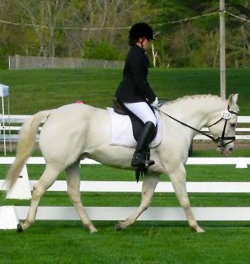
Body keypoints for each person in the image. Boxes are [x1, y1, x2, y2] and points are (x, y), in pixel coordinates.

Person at [115, 22, 159, 168]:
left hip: (134, 94)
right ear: (141, 39)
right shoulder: (136, 54)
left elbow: (142, 81)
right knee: (151, 119)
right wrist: (152, 97)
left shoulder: (138, 53)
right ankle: (138, 156)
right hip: (129, 96)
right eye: (147, 40)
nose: (148, 43)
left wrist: (150, 96)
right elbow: (139, 81)